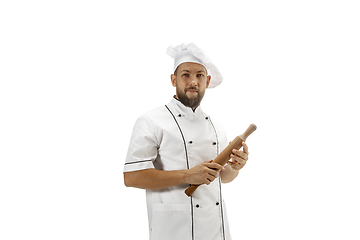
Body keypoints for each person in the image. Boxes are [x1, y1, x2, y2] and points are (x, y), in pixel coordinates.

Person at [123, 43, 250, 240]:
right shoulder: (150, 121)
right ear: (173, 79)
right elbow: (131, 177)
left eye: (199, 75)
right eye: (185, 74)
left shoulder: (217, 126)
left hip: (216, 230)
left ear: (207, 81)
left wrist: (235, 167)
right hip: (174, 230)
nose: (193, 81)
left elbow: (222, 177)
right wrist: (187, 175)